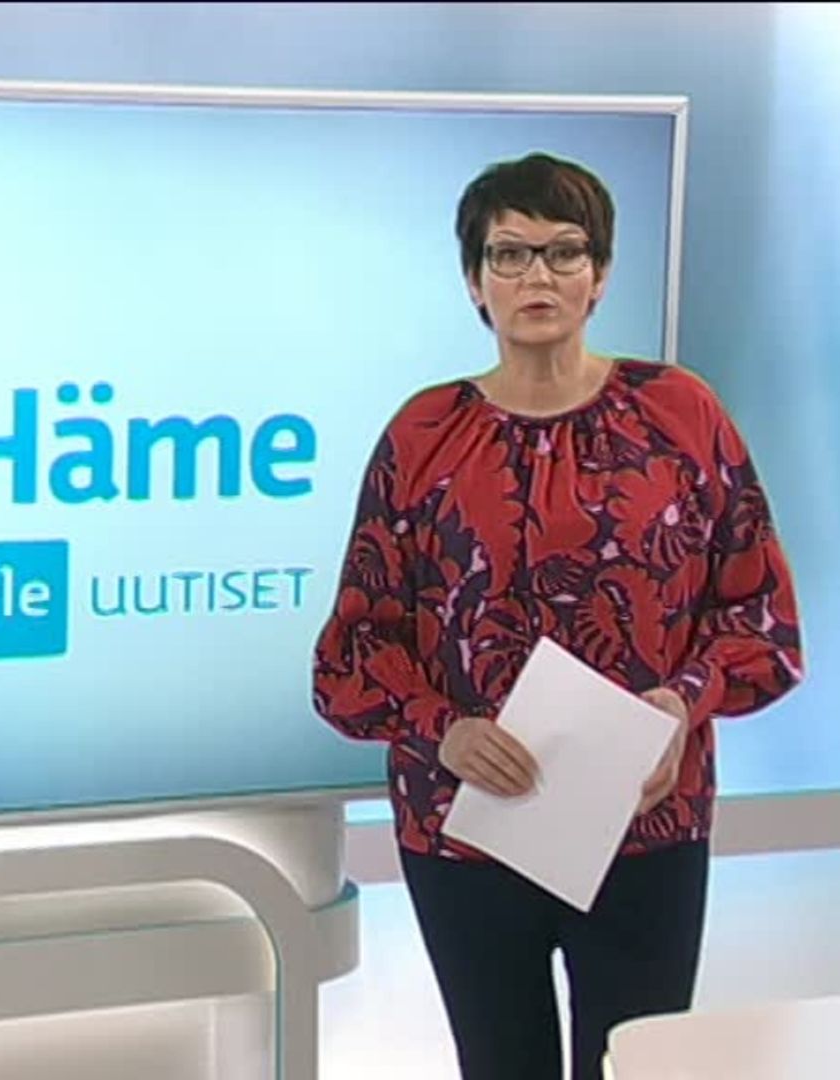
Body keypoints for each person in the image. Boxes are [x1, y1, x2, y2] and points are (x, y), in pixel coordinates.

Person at [311, 152, 805, 1080]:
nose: (536, 276)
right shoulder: (423, 435)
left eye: (564, 251)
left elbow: (763, 620)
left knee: (635, 1068)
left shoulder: (681, 414)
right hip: (464, 830)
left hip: (646, 828)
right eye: (509, 254)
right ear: (474, 282)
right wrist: (444, 730)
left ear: (600, 274)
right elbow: (351, 654)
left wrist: (684, 701)